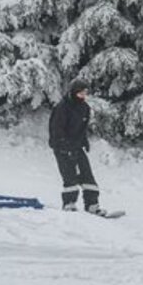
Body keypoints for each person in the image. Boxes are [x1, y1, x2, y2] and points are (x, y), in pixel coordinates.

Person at [48, 81, 104, 214]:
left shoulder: (84, 108)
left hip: (77, 146)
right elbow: (56, 129)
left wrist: (84, 141)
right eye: (80, 93)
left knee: (87, 175)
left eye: (85, 93)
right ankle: (69, 204)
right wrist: (63, 145)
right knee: (70, 177)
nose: (83, 95)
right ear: (73, 92)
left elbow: (82, 129)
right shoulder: (62, 107)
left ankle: (92, 205)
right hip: (62, 147)